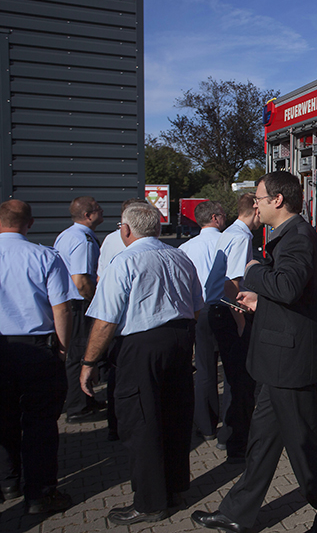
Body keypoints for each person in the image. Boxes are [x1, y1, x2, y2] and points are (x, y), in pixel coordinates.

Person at [191, 172, 317, 533]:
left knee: (305, 447)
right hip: (278, 359)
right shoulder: (289, 235)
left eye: (260, 199)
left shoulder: (297, 237)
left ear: (278, 200)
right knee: (262, 443)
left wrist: (252, 271)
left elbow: (289, 285)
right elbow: (292, 295)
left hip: (289, 363)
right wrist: (261, 301)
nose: (256, 206)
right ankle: (237, 512)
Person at [80, 202, 204, 525]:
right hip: (179, 339)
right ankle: (174, 487)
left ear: (125, 230)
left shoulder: (124, 261)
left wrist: (89, 361)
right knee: (175, 415)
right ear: (159, 230)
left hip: (141, 345)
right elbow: (196, 307)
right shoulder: (180, 257)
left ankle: (150, 502)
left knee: (142, 422)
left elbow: (105, 321)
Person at [0, 199, 78, 514]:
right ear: (29, 224)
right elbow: (61, 307)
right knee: (41, 424)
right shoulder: (45, 256)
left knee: (3, 418)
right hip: (35, 348)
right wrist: (62, 346)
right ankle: (40, 492)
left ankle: (7, 480)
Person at [205, 194, 260, 463]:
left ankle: (229, 436)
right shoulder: (242, 237)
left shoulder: (228, 233)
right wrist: (241, 323)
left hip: (218, 310)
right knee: (241, 381)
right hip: (229, 313)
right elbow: (232, 285)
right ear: (255, 210)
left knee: (233, 379)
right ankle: (238, 445)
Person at [96, 196, 148, 442]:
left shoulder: (110, 241)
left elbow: (100, 276)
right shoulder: (114, 241)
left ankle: (118, 426)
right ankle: (119, 425)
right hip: (126, 319)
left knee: (121, 377)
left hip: (123, 320)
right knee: (120, 378)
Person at [178, 201, 226, 442]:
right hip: (228, 309)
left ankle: (206, 426)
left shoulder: (185, 248)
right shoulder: (229, 241)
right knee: (231, 370)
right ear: (216, 218)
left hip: (201, 311)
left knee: (206, 369)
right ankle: (231, 425)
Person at [54, 195, 105, 423]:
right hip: (79, 304)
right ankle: (77, 407)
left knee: (80, 353)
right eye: (98, 209)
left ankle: (86, 398)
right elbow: (81, 279)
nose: (102, 212)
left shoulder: (66, 235)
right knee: (80, 355)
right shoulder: (82, 240)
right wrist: (95, 300)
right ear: (88, 215)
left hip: (71, 303)